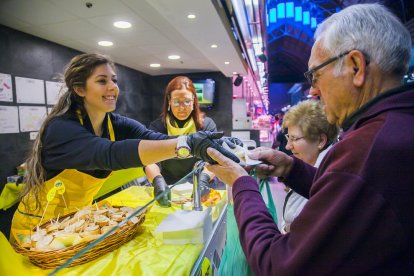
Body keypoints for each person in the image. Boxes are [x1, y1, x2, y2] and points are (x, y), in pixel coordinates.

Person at [206, 3, 414, 274]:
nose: (313, 91)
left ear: (355, 67)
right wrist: (291, 169)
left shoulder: (368, 147)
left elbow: (278, 265)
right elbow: (350, 195)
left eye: (316, 75)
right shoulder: (395, 126)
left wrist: (241, 184)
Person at [10, 53, 239, 244]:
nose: (113, 88)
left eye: (114, 80)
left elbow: (153, 138)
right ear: (79, 89)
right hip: (38, 231)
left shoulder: (114, 123)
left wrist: (207, 143)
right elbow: (110, 154)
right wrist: (186, 143)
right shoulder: (61, 129)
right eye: (102, 81)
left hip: (74, 224)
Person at [144, 76, 221, 206]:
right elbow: (149, 161)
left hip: (201, 185)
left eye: (186, 101)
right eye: (176, 102)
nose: (182, 107)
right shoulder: (157, 127)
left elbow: (214, 159)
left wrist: (203, 180)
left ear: (194, 101)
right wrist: (157, 181)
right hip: (169, 187)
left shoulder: (206, 126)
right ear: (169, 101)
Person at [280, 100, 338, 233]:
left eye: (294, 139)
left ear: (320, 141)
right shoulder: (308, 166)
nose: (288, 146)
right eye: (288, 137)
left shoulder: (330, 174)